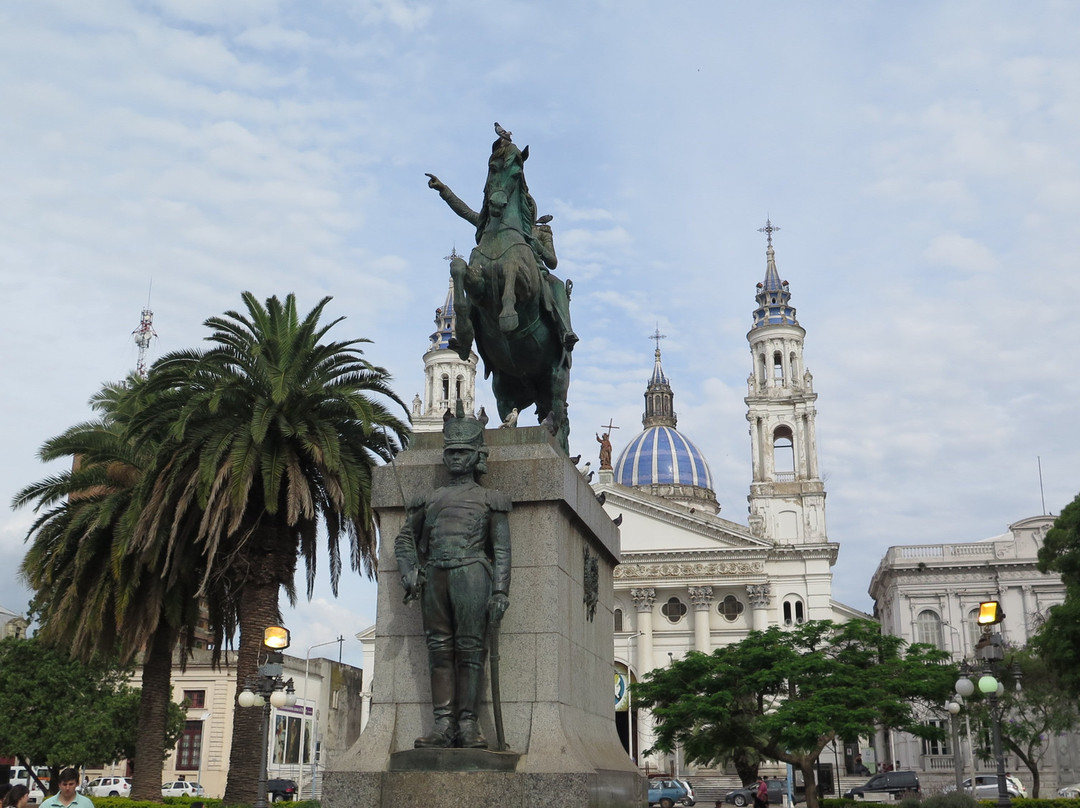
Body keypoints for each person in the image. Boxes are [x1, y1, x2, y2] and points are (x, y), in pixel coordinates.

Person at [395, 402, 511, 749]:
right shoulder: (429, 500)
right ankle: (442, 724)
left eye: (463, 451)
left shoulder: (492, 500)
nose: (455, 457)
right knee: (439, 651)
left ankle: (468, 723)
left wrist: (500, 592)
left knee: (470, 651)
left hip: (473, 574)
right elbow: (405, 539)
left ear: (477, 455)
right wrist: (409, 571)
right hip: (434, 578)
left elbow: (502, 550)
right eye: (450, 451)